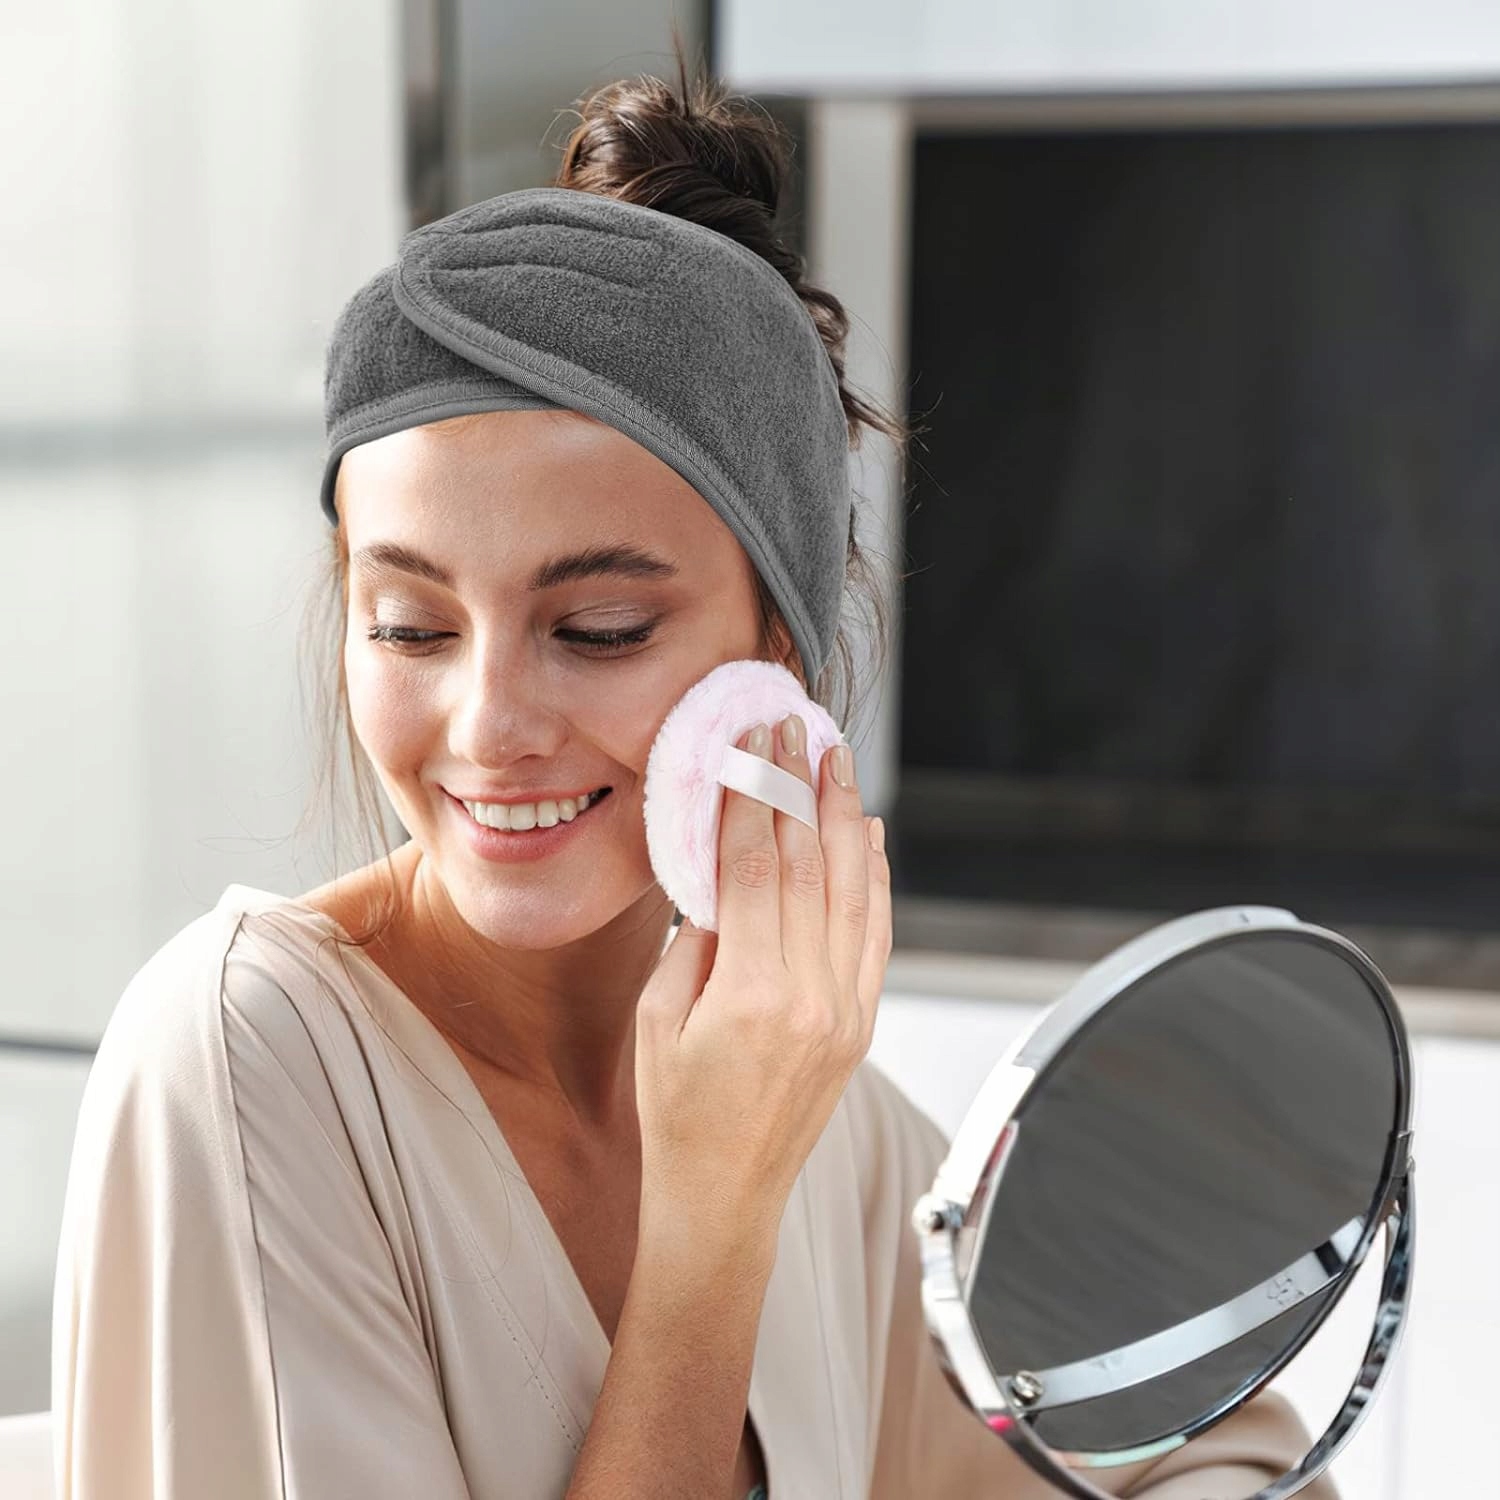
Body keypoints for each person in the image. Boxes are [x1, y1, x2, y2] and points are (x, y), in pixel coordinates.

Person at [50, 42, 1338, 1500]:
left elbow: (1191, 1438)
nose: (487, 726)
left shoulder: (812, 1114)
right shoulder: (251, 1064)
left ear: (772, 652)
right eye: (410, 626)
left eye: (596, 630)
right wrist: (713, 1223)